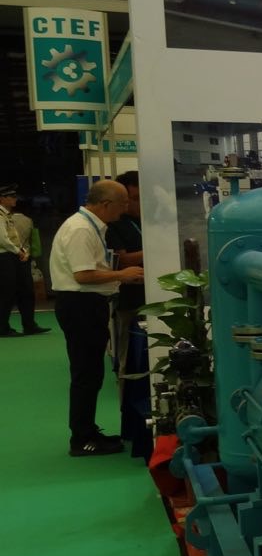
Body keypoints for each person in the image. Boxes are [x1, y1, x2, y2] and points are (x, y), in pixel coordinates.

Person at [48, 179, 143, 456]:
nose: (125, 208)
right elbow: (83, 275)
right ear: (106, 204)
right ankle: (82, 438)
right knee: (86, 374)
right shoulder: (81, 229)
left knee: (91, 372)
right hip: (81, 305)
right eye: (123, 203)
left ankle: (87, 431)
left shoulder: (89, 226)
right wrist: (121, 275)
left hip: (86, 305)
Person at [104, 171, 151, 457]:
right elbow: (121, 259)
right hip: (128, 302)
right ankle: (130, 422)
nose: (136, 204)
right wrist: (156, 248)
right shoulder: (114, 226)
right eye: (132, 198)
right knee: (128, 362)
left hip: (151, 297)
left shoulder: (143, 221)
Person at [0, 184, 47, 335]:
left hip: (14, 255)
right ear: (2, 199)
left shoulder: (7, 215)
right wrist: (19, 251)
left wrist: (22, 251)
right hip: (4, 256)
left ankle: (29, 325)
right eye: (11, 197)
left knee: (26, 290)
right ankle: (2, 327)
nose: (15, 199)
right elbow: (3, 239)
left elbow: (13, 237)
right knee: (6, 293)